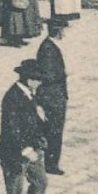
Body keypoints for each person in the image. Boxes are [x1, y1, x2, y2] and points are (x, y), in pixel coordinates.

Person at [0, 58, 49, 194]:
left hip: (33, 149)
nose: (40, 82)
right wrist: (26, 150)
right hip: (14, 152)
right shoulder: (12, 97)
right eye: (37, 79)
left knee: (40, 181)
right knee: (15, 189)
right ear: (28, 79)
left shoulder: (30, 94)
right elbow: (12, 129)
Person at [36, 17, 70, 175]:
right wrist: (63, 75)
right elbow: (47, 75)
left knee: (52, 130)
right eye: (64, 30)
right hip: (52, 96)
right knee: (54, 130)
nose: (65, 33)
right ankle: (51, 163)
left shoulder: (49, 46)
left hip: (55, 94)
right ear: (58, 31)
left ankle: (49, 160)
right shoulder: (48, 49)